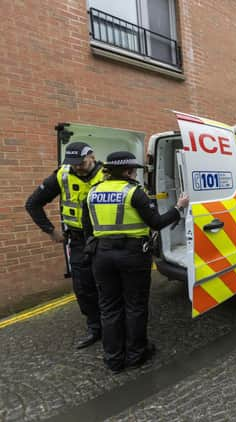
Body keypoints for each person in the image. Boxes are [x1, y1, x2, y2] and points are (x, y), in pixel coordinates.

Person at [83, 151, 189, 373]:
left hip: (101, 256)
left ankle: (113, 359)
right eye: (133, 169)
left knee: (109, 307)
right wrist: (178, 207)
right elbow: (157, 223)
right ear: (127, 170)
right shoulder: (134, 193)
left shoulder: (92, 193)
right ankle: (136, 354)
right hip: (132, 256)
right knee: (135, 305)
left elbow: (87, 229)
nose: (134, 173)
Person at [25, 142, 104, 349]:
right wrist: (51, 231)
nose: (77, 166)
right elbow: (32, 203)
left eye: (81, 162)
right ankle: (96, 328)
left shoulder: (108, 174)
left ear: (92, 156)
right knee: (83, 288)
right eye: (73, 163)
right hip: (78, 241)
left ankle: (114, 325)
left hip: (105, 238)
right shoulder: (62, 175)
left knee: (108, 284)